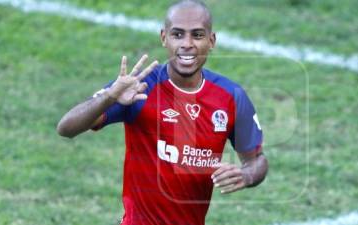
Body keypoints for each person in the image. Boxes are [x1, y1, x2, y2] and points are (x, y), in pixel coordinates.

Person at [57, 0, 268, 224]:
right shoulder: (139, 87)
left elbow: (256, 161)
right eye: (178, 34)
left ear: (211, 40)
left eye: (197, 35)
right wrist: (108, 97)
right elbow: (66, 128)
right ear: (164, 37)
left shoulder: (230, 97)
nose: (187, 44)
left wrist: (247, 175)